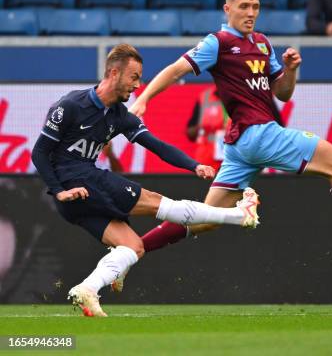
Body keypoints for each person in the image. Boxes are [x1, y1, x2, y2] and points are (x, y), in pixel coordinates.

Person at [129, 0, 332, 266]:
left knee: (207, 219)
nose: (250, 13)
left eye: (255, 6)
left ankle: (132, 250)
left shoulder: (262, 43)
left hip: (241, 145)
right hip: (258, 133)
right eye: (244, 6)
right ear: (227, 9)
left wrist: (290, 70)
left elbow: (282, 93)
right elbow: (175, 69)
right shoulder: (217, 42)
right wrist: (144, 99)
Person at [31, 44, 260, 317]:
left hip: (76, 197)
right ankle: (239, 215)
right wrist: (58, 190)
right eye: (134, 77)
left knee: (133, 246)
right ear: (114, 73)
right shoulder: (70, 105)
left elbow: (156, 145)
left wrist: (194, 165)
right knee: (157, 203)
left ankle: (88, 289)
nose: (138, 85)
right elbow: (39, 152)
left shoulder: (119, 116)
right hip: (78, 180)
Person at [186, 87, 229, 171]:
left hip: (234, 157)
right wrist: (203, 126)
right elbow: (190, 133)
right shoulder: (205, 96)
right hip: (207, 160)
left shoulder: (240, 95)